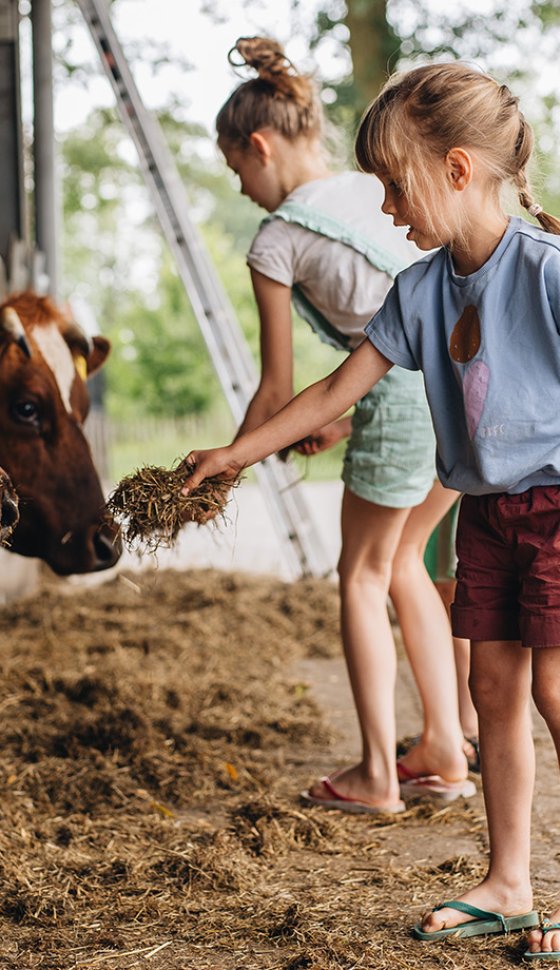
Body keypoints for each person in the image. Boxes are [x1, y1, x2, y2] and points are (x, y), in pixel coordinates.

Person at [183, 60, 560, 959]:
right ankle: (510, 883)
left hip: (556, 507)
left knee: (553, 687)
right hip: (488, 515)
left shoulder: (545, 271)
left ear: (458, 169)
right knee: (492, 689)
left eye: (397, 186)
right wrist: (234, 455)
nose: (388, 208)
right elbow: (330, 390)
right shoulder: (423, 289)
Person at [213, 37, 476, 813]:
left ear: (259, 147)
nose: (242, 190)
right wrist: (335, 419)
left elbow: (277, 388)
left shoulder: (278, 238)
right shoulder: (372, 188)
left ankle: (374, 774)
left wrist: (228, 459)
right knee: (406, 567)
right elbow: (396, 309)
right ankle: (444, 748)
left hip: (395, 401)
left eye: (237, 172)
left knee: (361, 576)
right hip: (457, 393)